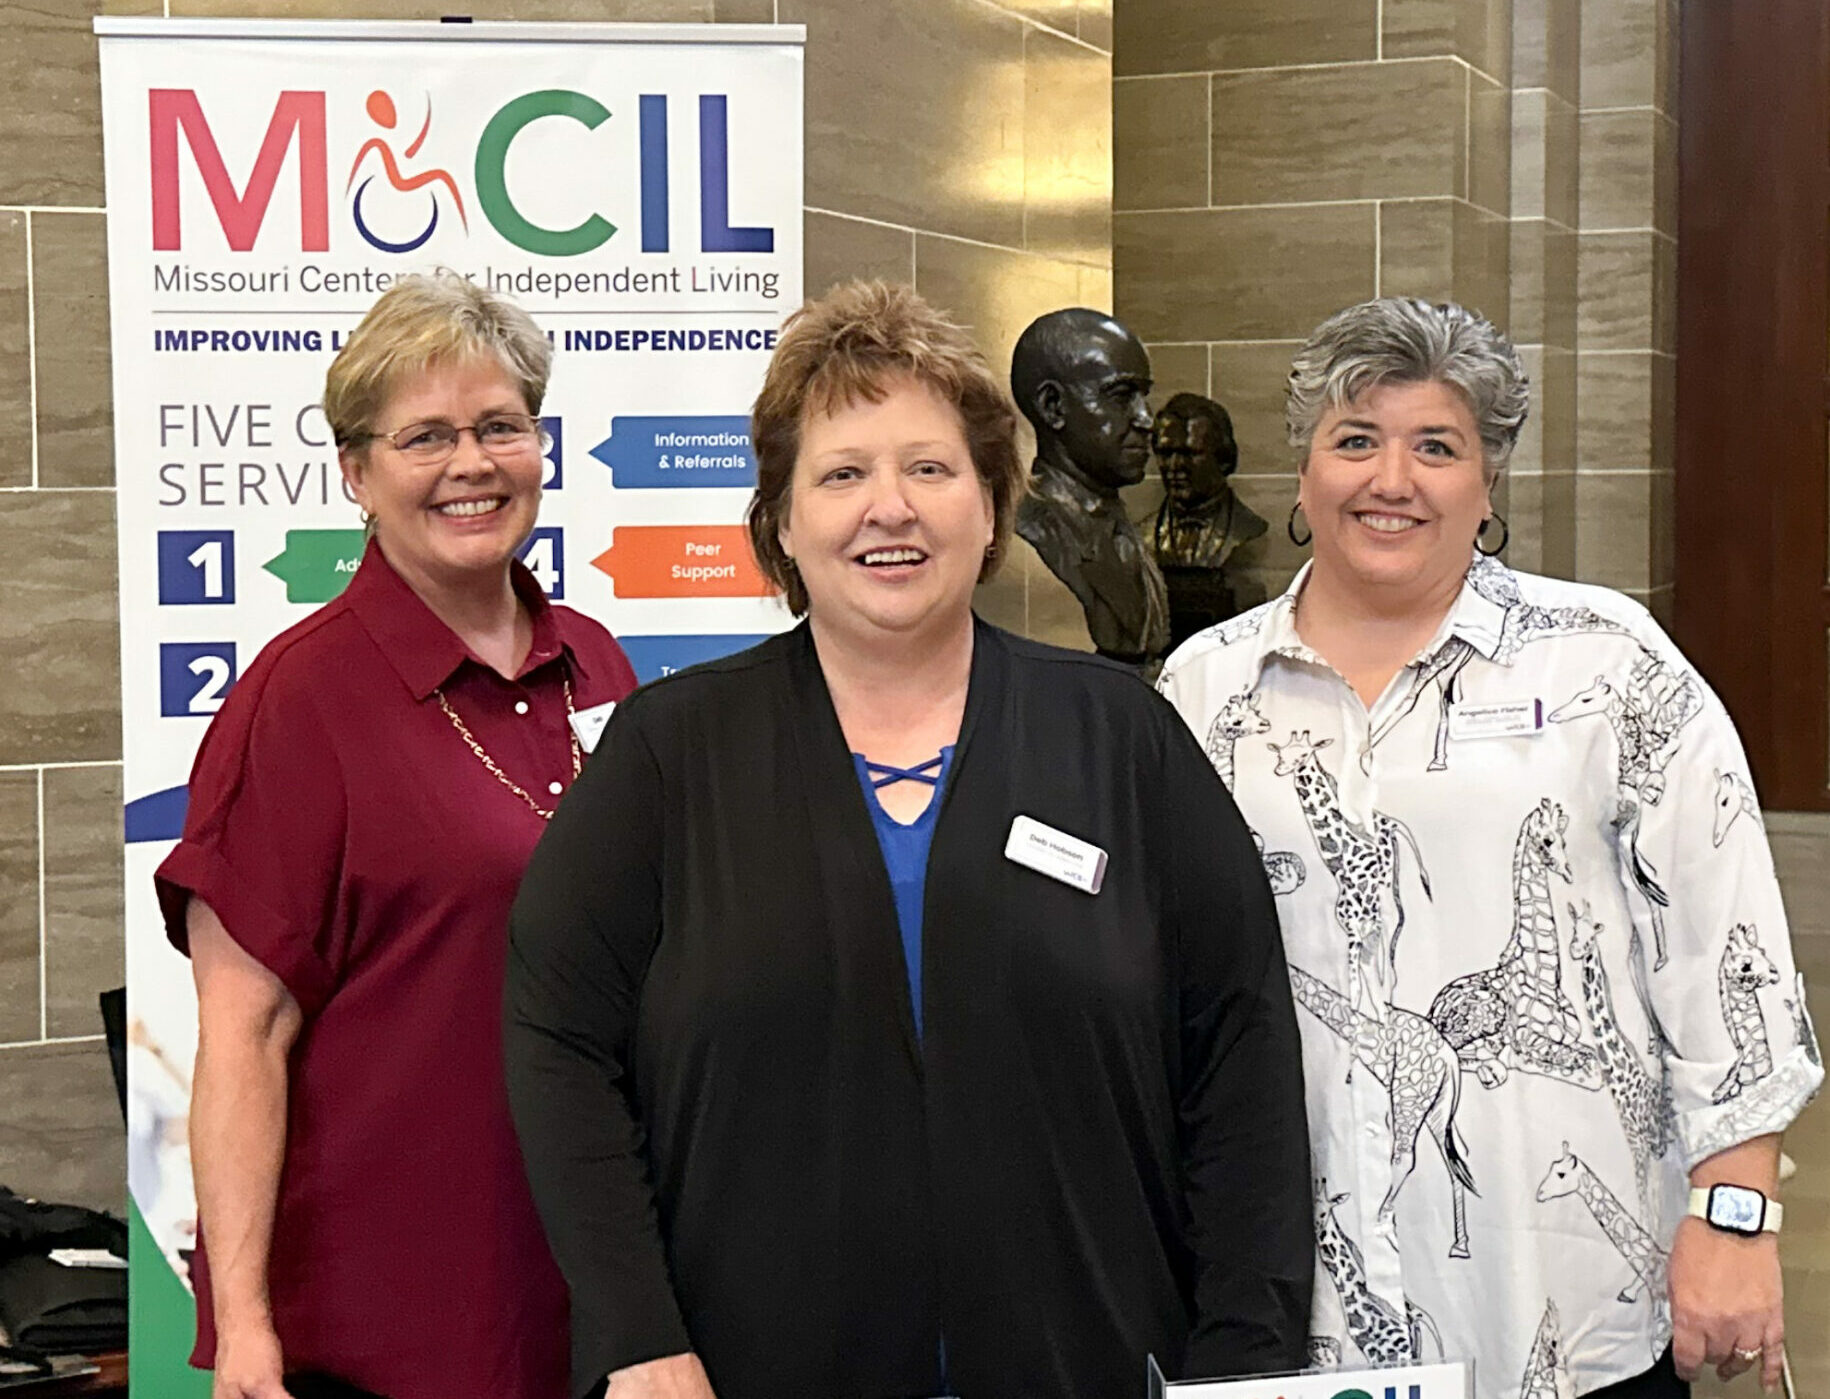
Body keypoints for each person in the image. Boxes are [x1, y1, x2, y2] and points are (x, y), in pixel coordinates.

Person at [505, 280, 1312, 1399]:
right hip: (746, 1369)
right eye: (842, 474)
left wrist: (1247, 1357)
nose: (891, 507)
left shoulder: (1121, 738)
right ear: (782, 521)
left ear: (991, 505)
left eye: (931, 468)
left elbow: (1242, 1050)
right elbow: (558, 1040)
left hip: (1090, 1360)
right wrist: (637, 1329)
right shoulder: (668, 754)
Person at [1157, 296, 1824, 1399]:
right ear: (1305, 469)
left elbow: (1725, 947)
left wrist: (1736, 1214)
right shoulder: (1203, 689)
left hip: (1560, 1309)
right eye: (1356, 439)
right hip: (1289, 1314)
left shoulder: (1604, 666)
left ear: (1489, 478)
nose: (1392, 479)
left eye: (1437, 446)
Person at [155, 274, 637, 1399]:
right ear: (357, 475)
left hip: (586, 1294)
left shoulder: (598, 664)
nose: (471, 463)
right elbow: (245, 1035)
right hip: (388, 1323)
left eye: (499, 426)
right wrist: (246, 1328)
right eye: (425, 436)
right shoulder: (299, 698)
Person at [1011, 307, 1171, 666]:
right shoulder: (1032, 530)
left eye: (1143, 395)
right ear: (1053, 407)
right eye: (1120, 395)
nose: (1146, 418)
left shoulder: (1123, 524)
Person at [1151, 391, 1268, 646]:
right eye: (1166, 453)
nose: (1175, 466)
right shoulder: (1144, 535)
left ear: (1224, 459)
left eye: (1189, 453)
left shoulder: (1246, 531)